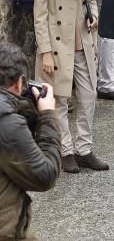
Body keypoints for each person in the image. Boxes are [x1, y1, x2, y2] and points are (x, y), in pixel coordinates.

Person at [34, 0, 109, 173]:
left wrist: (94, 16)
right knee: (60, 100)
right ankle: (66, 150)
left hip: (82, 41)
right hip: (56, 46)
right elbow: (40, 16)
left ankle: (84, 149)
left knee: (89, 96)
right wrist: (45, 50)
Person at [0, 43, 61, 239]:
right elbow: (44, 175)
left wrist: (24, 110)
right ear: (19, 83)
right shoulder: (7, 124)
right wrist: (47, 116)